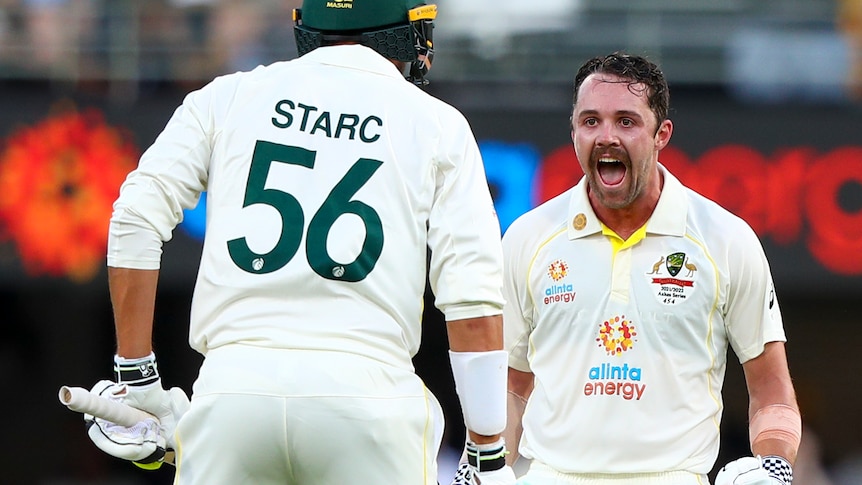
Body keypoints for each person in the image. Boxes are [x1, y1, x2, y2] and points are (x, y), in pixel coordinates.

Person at [80, 1, 516, 484]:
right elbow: (471, 298)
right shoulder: (438, 124)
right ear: (406, 31)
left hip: (233, 393)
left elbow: (135, 217)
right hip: (367, 401)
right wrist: (486, 446)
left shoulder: (229, 95)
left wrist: (136, 375)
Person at [500, 52, 801, 485]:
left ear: (662, 134)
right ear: (573, 132)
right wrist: (481, 465)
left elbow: (772, 392)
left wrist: (774, 467)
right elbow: (512, 387)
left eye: (626, 121)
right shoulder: (529, 237)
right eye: (590, 121)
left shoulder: (725, 239)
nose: (606, 136)